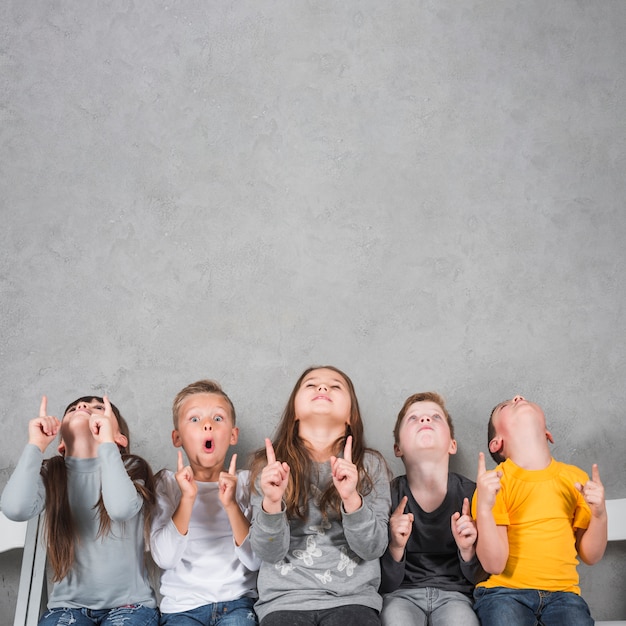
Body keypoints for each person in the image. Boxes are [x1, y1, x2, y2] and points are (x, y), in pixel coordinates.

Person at [249, 366, 391, 626]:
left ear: (352, 416)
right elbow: (268, 553)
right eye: (311, 385)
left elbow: (373, 548)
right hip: (284, 601)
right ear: (294, 411)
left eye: (335, 386)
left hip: (353, 601)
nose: (323, 388)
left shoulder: (370, 465)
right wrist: (271, 503)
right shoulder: (268, 467)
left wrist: (351, 499)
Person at [0, 395, 158, 626]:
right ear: (61, 442)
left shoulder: (131, 468)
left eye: (98, 408)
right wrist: (35, 445)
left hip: (131, 606)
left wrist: (106, 445)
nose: (83, 407)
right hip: (68, 608)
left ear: (119, 438)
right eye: (73, 408)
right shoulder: (51, 473)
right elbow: (14, 509)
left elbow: (120, 509)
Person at [473, 394, 607, 626]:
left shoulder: (575, 479)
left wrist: (599, 515)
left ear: (547, 433)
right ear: (497, 443)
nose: (518, 397)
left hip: (564, 597)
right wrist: (484, 509)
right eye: (506, 405)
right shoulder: (494, 485)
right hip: (505, 594)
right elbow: (494, 565)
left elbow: (590, 555)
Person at [150, 380, 259, 626]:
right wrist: (188, 498)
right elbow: (165, 558)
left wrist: (231, 504)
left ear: (233, 435)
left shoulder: (246, 483)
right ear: (177, 437)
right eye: (195, 419)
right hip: (181, 608)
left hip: (238, 604)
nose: (208, 424)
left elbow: (255, 560)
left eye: (218, 418)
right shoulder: (166, 484)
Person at [379, 391, 485, 626]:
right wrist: (396, 546)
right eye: (413, 418)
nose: (425, 420)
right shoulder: (387, 496)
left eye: (435, 417)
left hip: (457, 597)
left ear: (452, 444)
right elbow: (382, 583)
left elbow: (483, 578)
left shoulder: (473, 495)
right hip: (399, 596)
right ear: (398, 448)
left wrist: (468, 550)